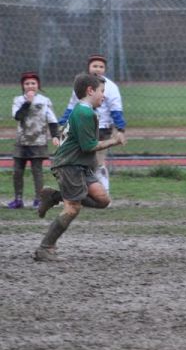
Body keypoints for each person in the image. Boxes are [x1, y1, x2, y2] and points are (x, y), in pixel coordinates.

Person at [33, 73, 126, 262]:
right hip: (69, 165)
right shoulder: (84, 112)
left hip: (80, 165)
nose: (104, 96)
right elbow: (88, 146)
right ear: (90, 91)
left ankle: (54, 196)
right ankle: (45, 247)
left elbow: (76, 140)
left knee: (102, 200)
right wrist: (114, 141)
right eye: (102, 91)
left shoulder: (85, 110)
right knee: (72, 208)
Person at [58, 54, 126, 196]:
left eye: (101, 66)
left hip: (102, 129)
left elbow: (116, 110)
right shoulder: (82, 85)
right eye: (95, 65)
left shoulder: (111, 87)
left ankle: (104, 193)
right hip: (81, 129)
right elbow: (72, 107)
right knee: (80, 162)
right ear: (89, 68)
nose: (98, 69)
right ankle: (82, 193)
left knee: (98, 163)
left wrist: (120, 129)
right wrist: (62, 124)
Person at [7, 72, 60, 209]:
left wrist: (55, 136)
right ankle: (18, 199)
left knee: (37, 171)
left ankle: (39, 199)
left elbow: (52, 120)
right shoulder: (18, 100)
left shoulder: (45, 101)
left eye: (33, 83)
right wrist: (27, 103)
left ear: (38, 85)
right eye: (27, 83)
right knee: (17, 171)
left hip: (38, 141)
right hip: (22, 142)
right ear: (23, 86)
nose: (30, 86)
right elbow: (18, 116)